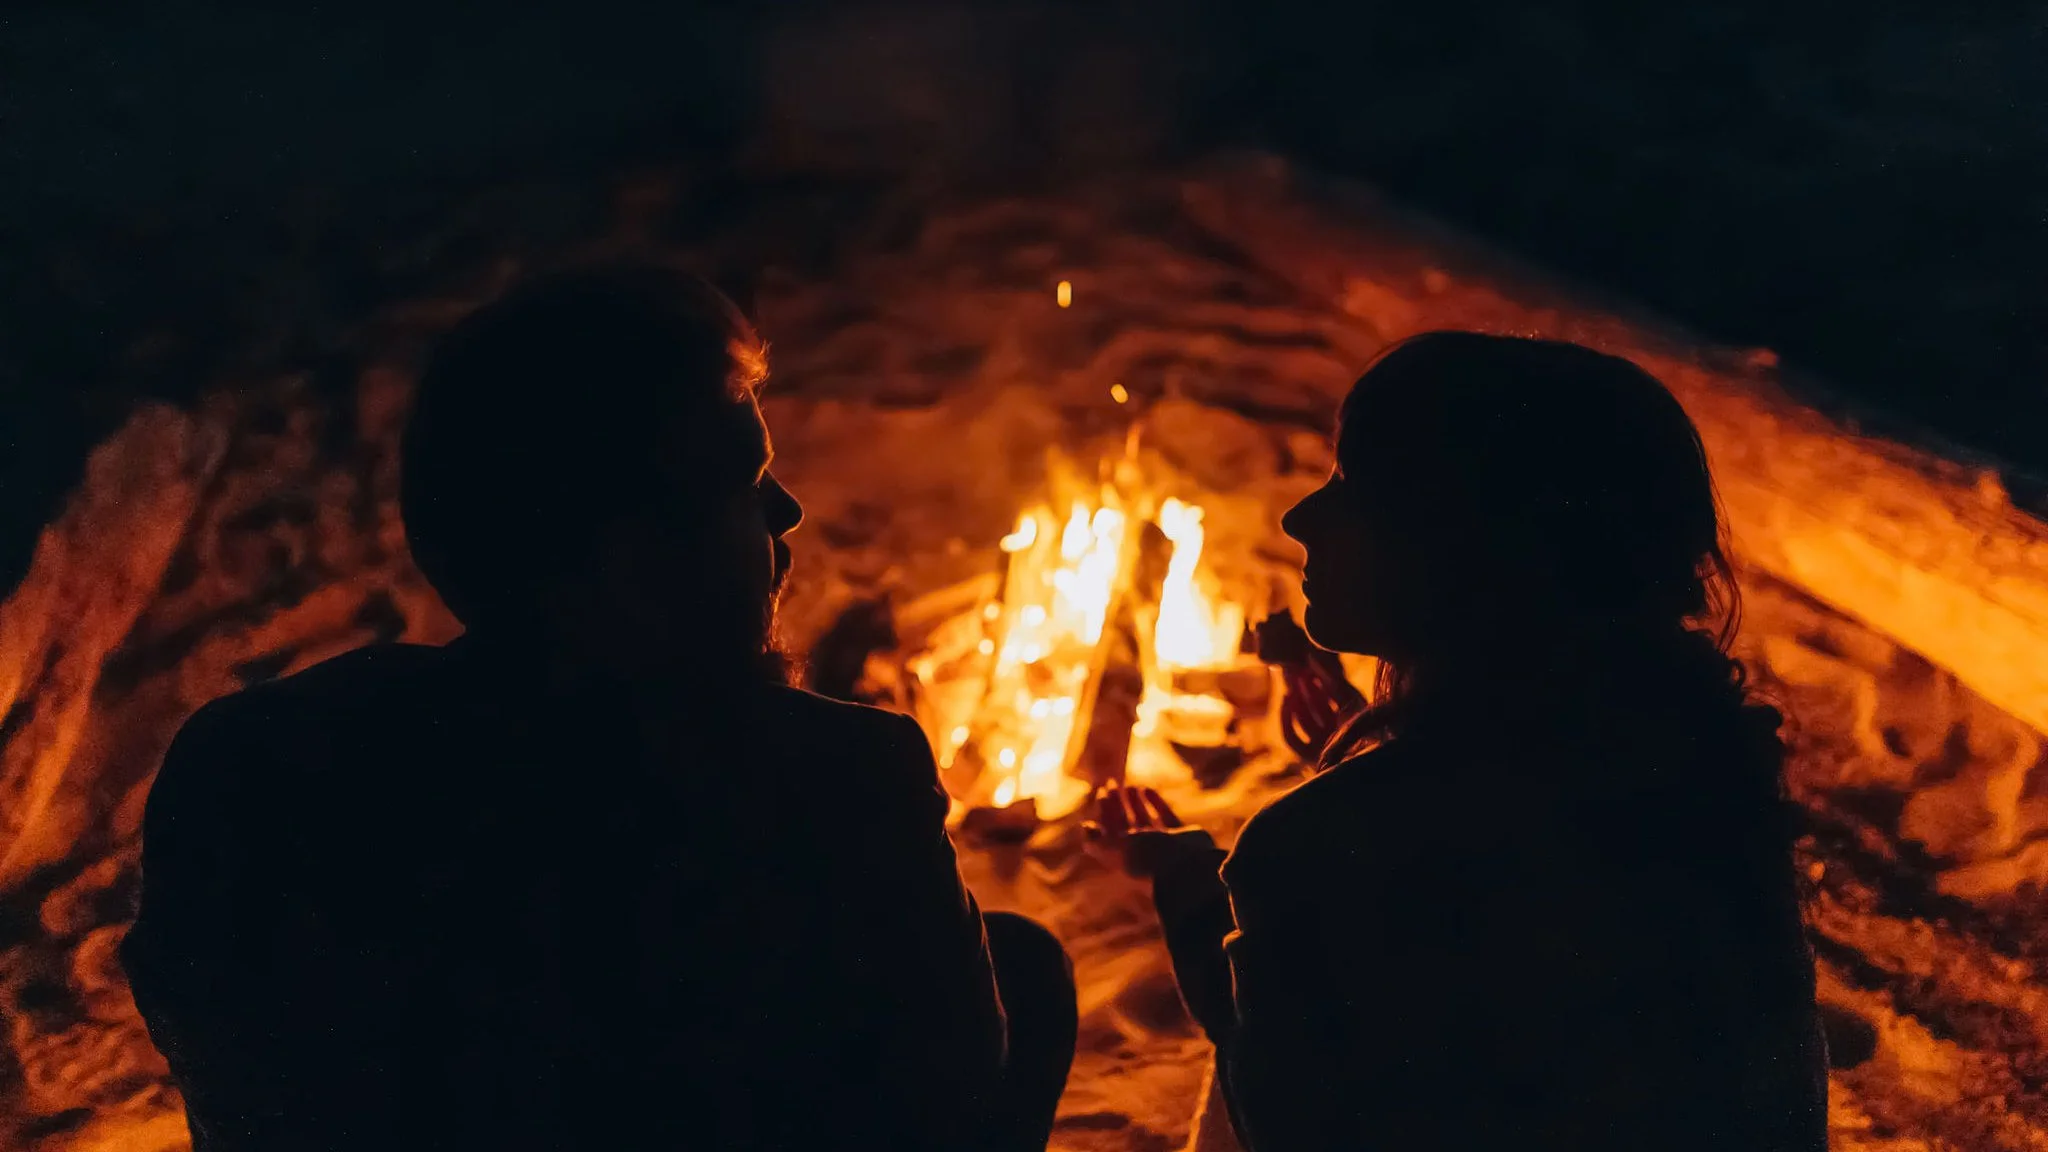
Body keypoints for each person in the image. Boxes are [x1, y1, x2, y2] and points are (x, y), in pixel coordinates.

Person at [122, 263, 1077, 1151]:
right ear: (630, 558)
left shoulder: (250, 761)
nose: (787, 513)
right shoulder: (841, 777)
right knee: (1027, 971)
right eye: (745, 487)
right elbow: (942, 1099)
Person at [1094, 332, 1828, 1150]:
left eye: (1355, 489)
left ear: (1460, 546)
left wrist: (1193, 886)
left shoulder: (1319, 844)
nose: (1301, 518)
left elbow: (1288, 1116)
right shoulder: (1704, 779)